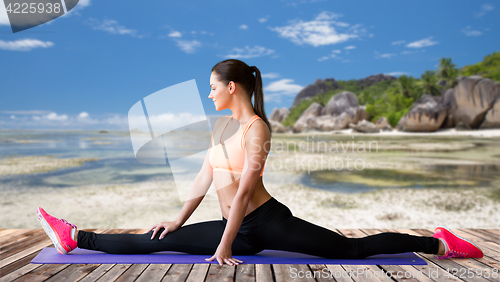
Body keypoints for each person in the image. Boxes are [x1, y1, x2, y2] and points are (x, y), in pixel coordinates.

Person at [37, 59, 483, 266]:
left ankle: (438, 243)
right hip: (235, 227)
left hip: (265, 223)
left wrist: (226, 244)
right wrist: (177, 220)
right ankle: (75, 236)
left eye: (214, 86)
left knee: (351, 250)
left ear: (233, 87)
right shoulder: (219, 129)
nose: (209, 93)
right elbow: (204, 176)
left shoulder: (257, 130)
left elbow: (247, 188)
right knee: (158, 240)